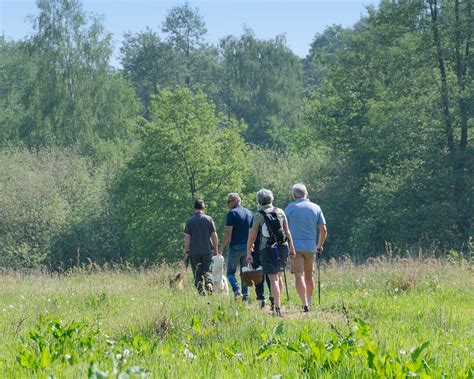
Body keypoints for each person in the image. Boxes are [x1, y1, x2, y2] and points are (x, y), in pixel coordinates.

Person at [246, 189, 296, 316]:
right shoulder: (280, 211)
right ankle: (278, 303)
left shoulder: (259, 215)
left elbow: (252, 236)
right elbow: (287, 232)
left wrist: (248, 252)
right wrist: (292, 248)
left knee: (273, 278)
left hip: (267, 249)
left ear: (259, 201)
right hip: (282, 247)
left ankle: (277, 307)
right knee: (278, 276)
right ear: (271, 199)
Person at [285, 183, 327, 312]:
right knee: (309, 275)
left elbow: (284, 228)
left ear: (294, 195)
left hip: (295, 247)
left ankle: (304, 303)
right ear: (306, 193)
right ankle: (309, 300)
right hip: (310, 247)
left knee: (299, 275)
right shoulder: (316, 207)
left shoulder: (290, 208)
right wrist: (319, 245)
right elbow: (323, 229)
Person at [219, 193, 252, 301]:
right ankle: (245, 297)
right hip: (247, 247)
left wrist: (221, 247)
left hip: (235, 247)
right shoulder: (249, 213)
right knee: (245, 273)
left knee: (230, 272)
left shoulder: (232, 213)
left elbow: (229, 233)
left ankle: (237, 291)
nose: (227, 204)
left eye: (228, 202)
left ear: (235, 201)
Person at [184, 199, 219, 295]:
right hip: (207, 250)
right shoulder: (209, 219)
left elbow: (187, 237)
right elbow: (214, 235)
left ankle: (202, 293)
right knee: (207, 270)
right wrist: (216, 249)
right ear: (203, 208)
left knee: (197, 274)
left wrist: (186, 250)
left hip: (194, 252)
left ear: (194, 208)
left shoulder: (190, 221)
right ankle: (209, 283)